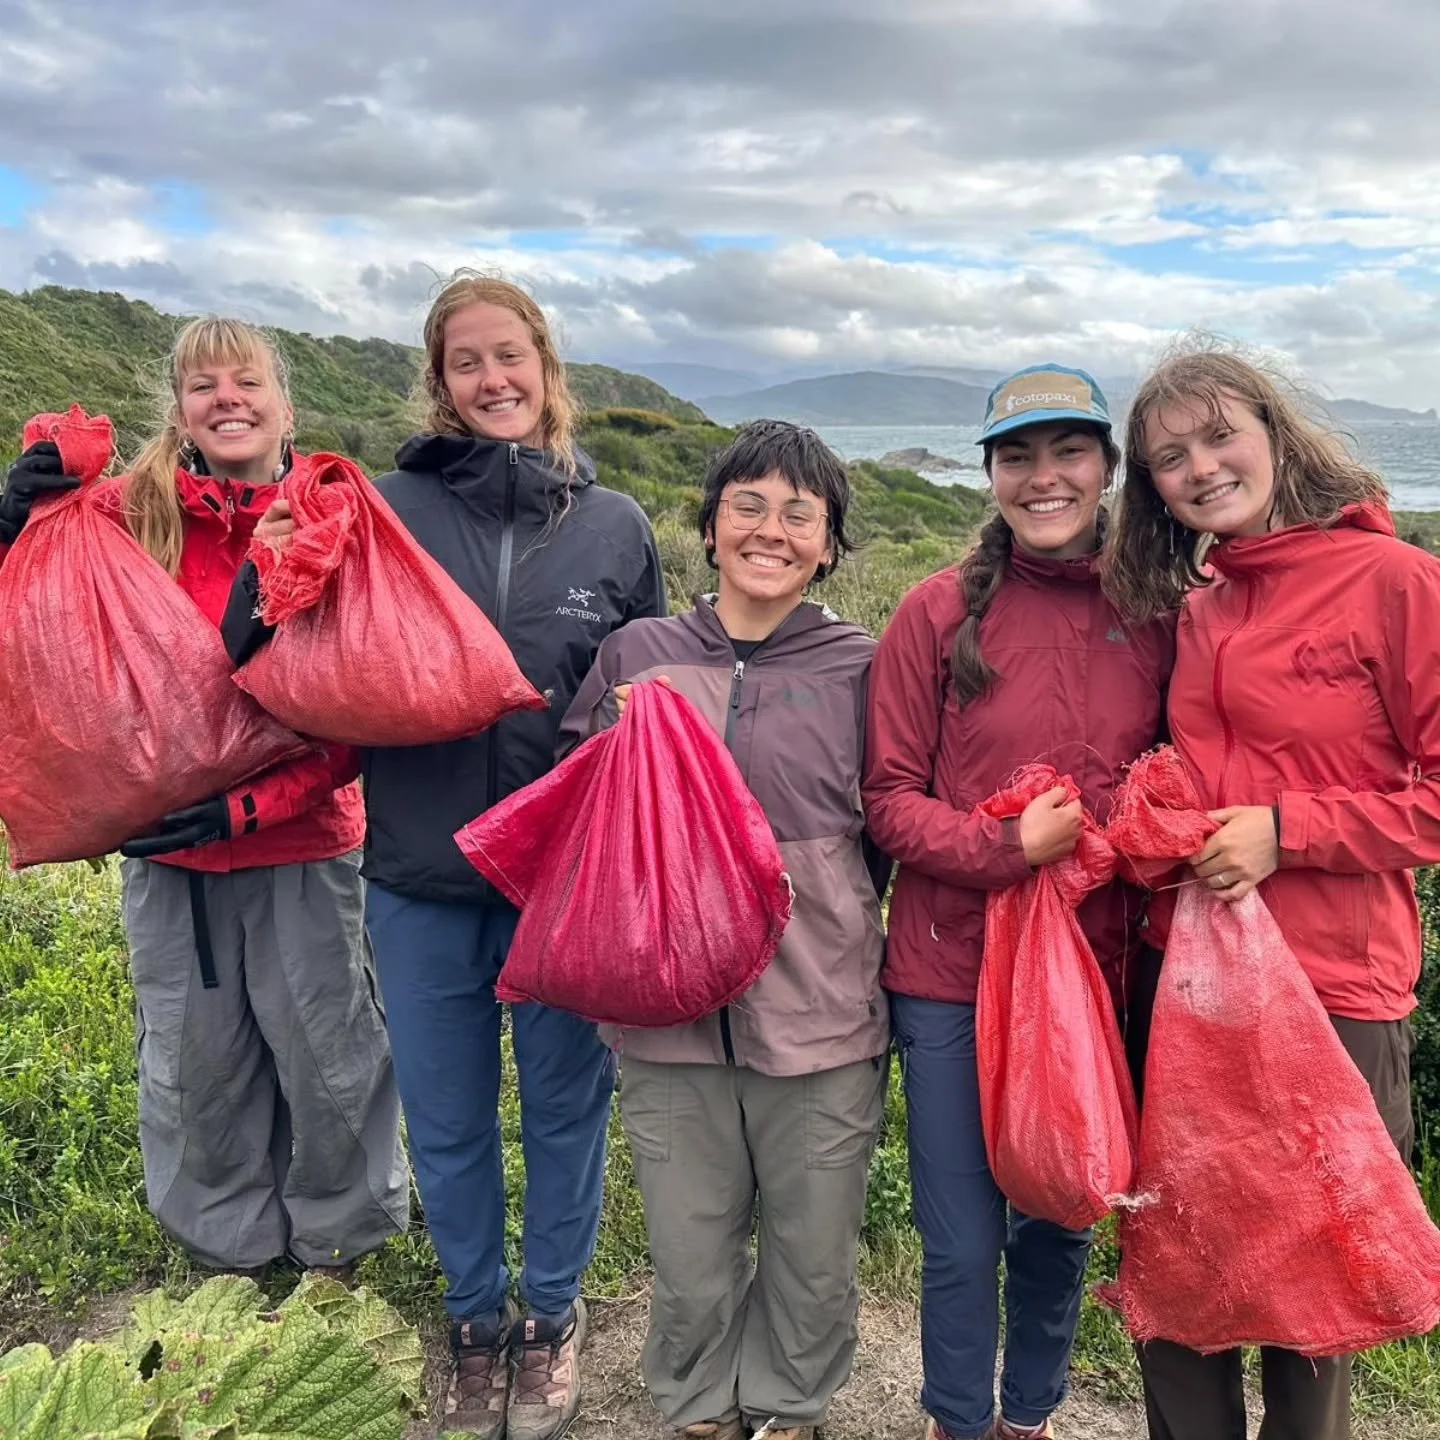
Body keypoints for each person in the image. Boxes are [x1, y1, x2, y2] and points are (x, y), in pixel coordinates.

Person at [227, 272, 666, 1440]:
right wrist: (265, 569)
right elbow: (263, 648)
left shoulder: (616, 524)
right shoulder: (385, 508)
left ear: (546, 365)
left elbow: (655, 689)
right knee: (450, 1115)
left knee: (569, 1112)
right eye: (467, 361)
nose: (493, 379)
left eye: (510, 355)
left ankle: (553, 1319)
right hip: (421, 880)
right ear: (440, 379)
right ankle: (477, 1325)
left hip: (566, 887)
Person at [0, 317, 409, 1278]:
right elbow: (36, 623)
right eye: (202, 384)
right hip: (165, 854)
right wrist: (14, 514)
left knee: (328, 1052)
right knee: (192, 1061)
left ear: (285, 404)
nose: (227, 398)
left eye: (247, 380)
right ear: (178, 410)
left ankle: (339, 1244)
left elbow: (364, 701)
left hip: (303, 842)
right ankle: (228, 1255)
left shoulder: (330, 518)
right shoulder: (120, 519)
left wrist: (248, 808)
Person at [1103, 346, 1440, 1440]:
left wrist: (1289, 833)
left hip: (1336, 989)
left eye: (1218, 435)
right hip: (1189, 986)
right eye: (1167, 459)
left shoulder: (1396, 583)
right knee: (1181, 1278)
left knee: (1315, 1298)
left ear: (1274, 429)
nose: (1200, 468)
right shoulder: (1200, 606)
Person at [555, 419, 889, 1440]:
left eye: (801, 513)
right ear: (708, 525)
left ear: (828, 544)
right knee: (691, 1250)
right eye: (748, 504)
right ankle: (699, 1404)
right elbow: (575, 810)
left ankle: (788, 1406)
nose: (772, 529)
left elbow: (892, 828)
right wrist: (616, 741)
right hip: (667, 1019)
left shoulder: (863, 667)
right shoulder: (639, 654)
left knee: (815, 1248)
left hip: (823, 1012)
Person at [863, 365, 1175, 1440]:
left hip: (1095, 976)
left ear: (1107, 468)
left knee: (1063, 1218)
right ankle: (958, 1420)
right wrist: (1005, 847)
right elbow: (887, 802)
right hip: (951, 976)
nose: (1044, 478)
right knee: (958, 1240)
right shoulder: (935, 612)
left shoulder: (1157, 611)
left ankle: (1027, 1419)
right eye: (1017, 456)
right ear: (991, 473)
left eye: (1067, 452)